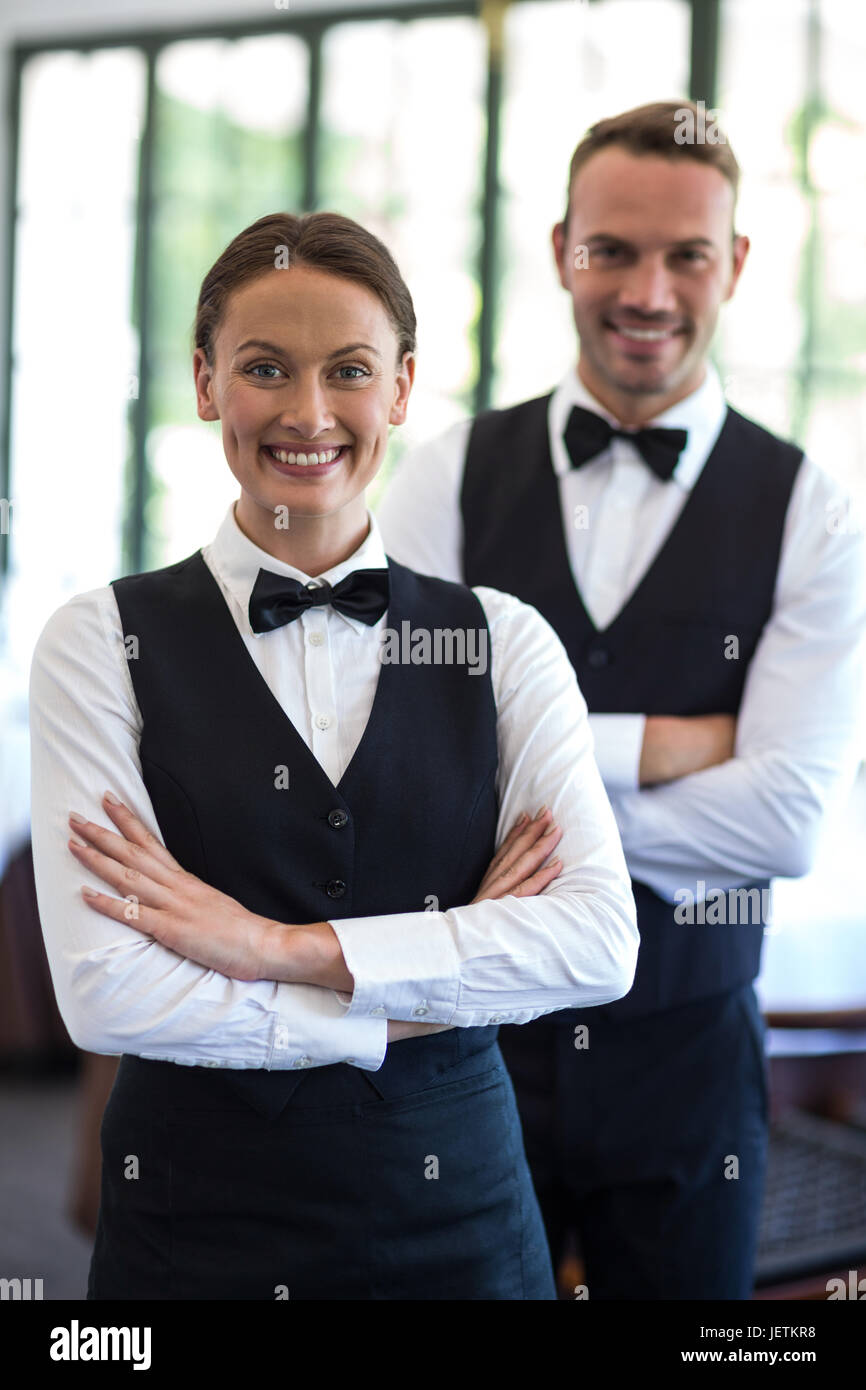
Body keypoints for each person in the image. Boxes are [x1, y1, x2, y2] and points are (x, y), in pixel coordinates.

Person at [28, 210, 639, 1301]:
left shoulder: (503, 639)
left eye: (347, 371)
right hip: (198, 1226)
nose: (307, 413)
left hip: (462, 1225)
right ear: (207, 379)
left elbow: (594, 945)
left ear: (399, 390)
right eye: (265, 367)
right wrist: (438, 982)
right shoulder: (96, 640)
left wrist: (272, 947)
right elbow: (107, 992)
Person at [375, 100, 866, 1299]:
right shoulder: (447, 474)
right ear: (559, 252)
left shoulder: (811, 506)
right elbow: (394, 764)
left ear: (734, 263)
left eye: (684, 254)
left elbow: (781, 823)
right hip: (466, 1041)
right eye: (613, 250)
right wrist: (673, 747)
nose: (646, 291)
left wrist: (522, 790)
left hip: (689, 1057)